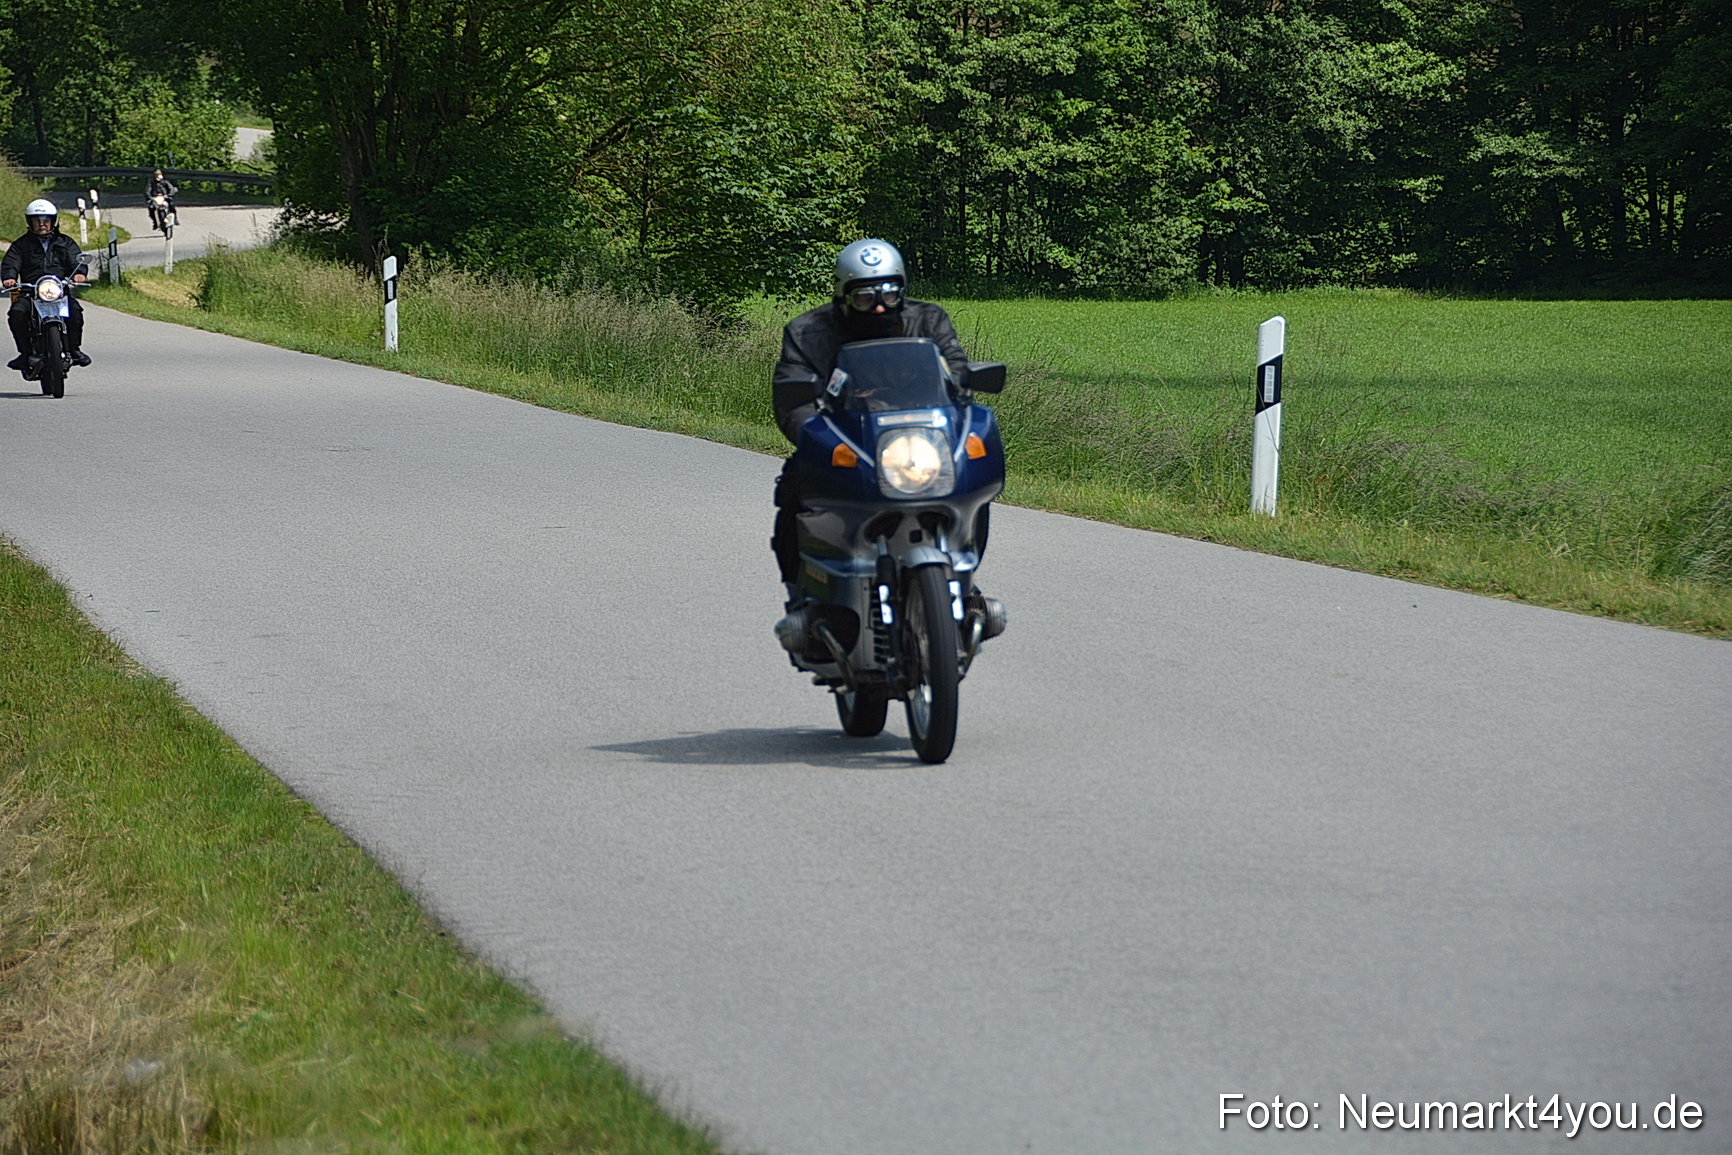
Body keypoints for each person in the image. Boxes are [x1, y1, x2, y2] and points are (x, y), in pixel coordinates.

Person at [770, 239, 970, 603]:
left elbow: (955, 372)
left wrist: (964, 387)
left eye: (890, 295)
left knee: (969, 480)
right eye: (864, 297)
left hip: (917, 443)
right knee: (796, 490)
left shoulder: (927, 319)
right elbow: (792, 402)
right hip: (846, 442)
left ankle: (961, 571)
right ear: (843, 295)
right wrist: (820, 440)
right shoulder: (807, 332)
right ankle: (804, 595)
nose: (879, 306)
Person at [2, 198, 90, 371]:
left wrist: (79, 273)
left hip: (58, 291)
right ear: (30, 222)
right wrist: (9, 277)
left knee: (76, 312)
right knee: (17, 313)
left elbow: (76, 260)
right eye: (37, 221)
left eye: (45, 220)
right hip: (31, 291)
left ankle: (74, 349)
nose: (42, 224)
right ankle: (25, 354)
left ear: (53, 221)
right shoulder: (21, 245)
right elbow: (11, 263)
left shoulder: (65, 242)